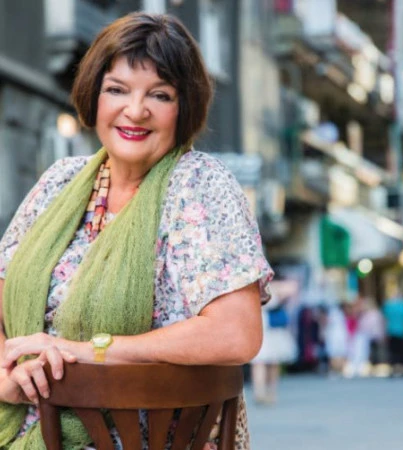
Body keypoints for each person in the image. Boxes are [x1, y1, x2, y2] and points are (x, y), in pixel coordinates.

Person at [0, 12, 273, 449]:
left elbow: (236, 333)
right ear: (94, 95)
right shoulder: (59, 181)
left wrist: (92, 351)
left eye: (160, 95)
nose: (135, 110)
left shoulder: (199, 185)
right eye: (117, 89)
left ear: (183, 108)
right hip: (21, 427)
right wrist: (7, 368)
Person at [250, 277, 297, 405]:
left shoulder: (253, 289)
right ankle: (268, 392)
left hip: (264, 328)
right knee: (268, 363)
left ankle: (261, 392)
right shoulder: (277, 288)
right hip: (269, 330)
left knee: (261, 363)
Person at [382, 288, 403, 377]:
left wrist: (384, 331)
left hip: (391, 331)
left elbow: (385, 320)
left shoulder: (388, 306)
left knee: (393, 351)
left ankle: (393, 369)